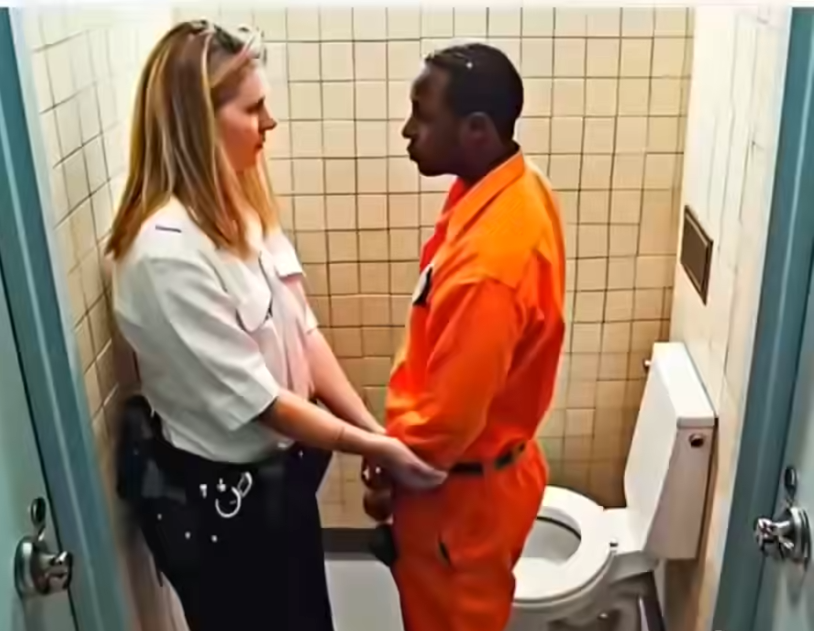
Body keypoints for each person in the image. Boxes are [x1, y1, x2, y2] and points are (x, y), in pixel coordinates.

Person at [106, 20, 444, 631]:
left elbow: (304, 333)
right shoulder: (165, 255)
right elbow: (265, 403)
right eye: (253, 108)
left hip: (279, 484)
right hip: (225, 509)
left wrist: (372, 430)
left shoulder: (237, 208)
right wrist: (375, 447)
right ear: (199, 122)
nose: (270, 122)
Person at [361, 43, 566, 631]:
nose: (407, 130)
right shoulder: (514, 185)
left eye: (422, 116)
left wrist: (387, 466)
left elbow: (446, 427)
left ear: (476, 130)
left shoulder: (489, 268)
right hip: (487, 481)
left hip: (457, 507)